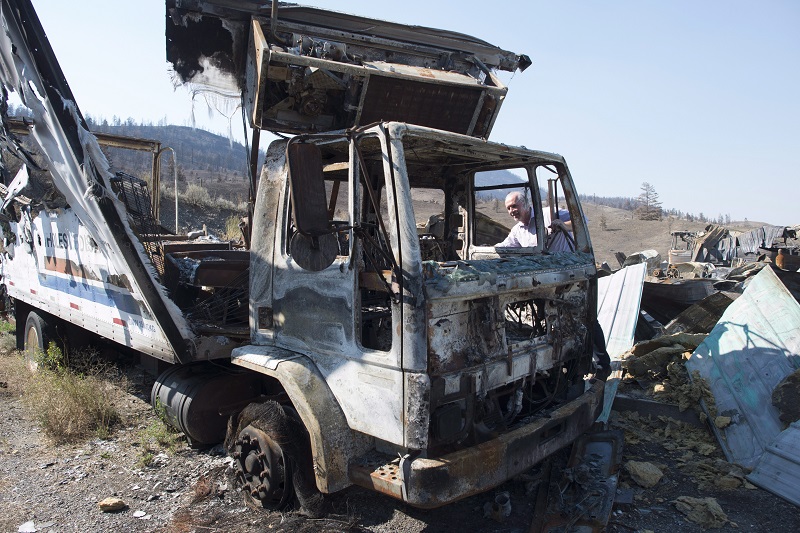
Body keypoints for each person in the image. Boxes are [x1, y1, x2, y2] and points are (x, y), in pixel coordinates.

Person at [495, 191, 573, 250]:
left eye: (514, 206)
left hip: (565, 267)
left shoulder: (549, 213)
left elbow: (582, 220)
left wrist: (564, 225)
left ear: (525, 203)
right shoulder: (517, 230)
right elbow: (506, 246)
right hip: (542, 268)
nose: (511, 211)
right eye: (508, 208)